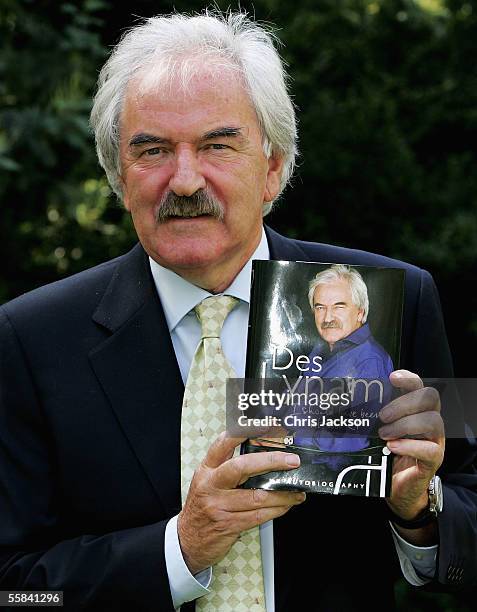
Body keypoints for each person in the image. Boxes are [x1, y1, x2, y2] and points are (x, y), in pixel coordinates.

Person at [0, 10, 475, 612]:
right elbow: (15, 592)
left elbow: (467, 531)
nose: (185, 179)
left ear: (273, 168)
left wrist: (420, 510)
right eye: (152, 151)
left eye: (217, 146)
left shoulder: (397, 301)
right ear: (119, 177)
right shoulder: (27, 340)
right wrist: (181, 549)